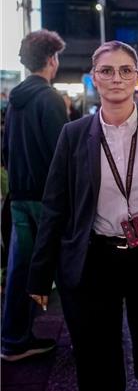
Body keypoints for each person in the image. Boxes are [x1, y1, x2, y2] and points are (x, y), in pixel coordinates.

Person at [27, 40, 138, 391]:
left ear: (137, 78)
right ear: (94, 77)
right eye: (107, 71)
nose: (117, 78)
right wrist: (40, 274)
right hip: (95, 258)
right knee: (97, 362)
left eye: (126, 70)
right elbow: (55, 206)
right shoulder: (74, 134)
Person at [0, 29, 67, 362]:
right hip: (45, 198)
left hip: (18, 196)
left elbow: (5, 149)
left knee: (21, 269)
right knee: (66, 266)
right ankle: (86, 339)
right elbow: (60, 153)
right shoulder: (50, 98)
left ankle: (14, 339)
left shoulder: (15, 100)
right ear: (52, 59)